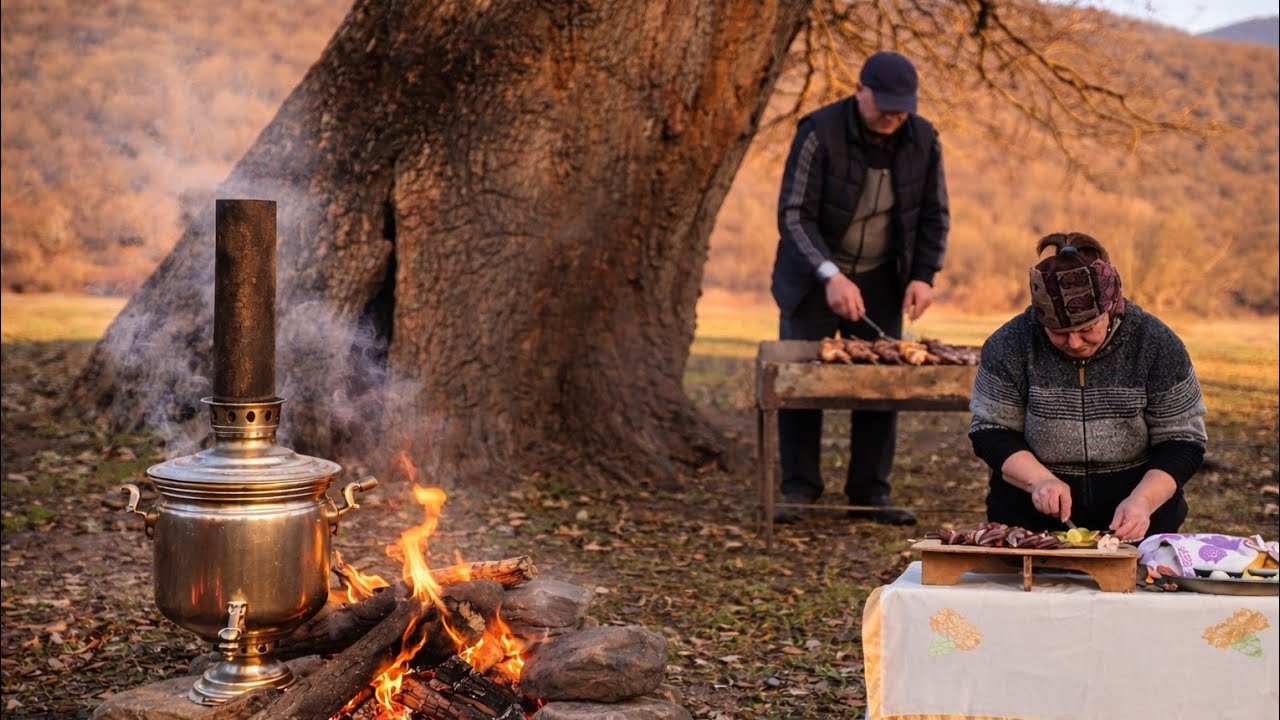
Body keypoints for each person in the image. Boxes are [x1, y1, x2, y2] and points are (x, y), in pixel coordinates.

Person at [769, 50, 950, 526]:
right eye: (884, 106)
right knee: (802, 382)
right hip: (813, 277)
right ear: (858, 91)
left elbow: (934, 215)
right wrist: (830, 274)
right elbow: (794, 214)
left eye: (901, 108)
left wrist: (923, 275)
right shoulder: (818, 132)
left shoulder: (924, 139)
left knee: (881, 382)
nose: (893, 117)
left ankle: (869, 492)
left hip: (883, 279)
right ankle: (799, 489)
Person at [969, 232, 1208, 541]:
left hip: (1138, 519)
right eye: (1058, 332)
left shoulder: (1155, 344)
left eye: (1087, 328)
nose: (1074, 342)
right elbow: (991, 430)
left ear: (1111, 308)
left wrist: (1144, 501)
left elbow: (1183, 439)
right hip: (1029, 521)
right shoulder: (1010, 344)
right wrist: (1039, 481)